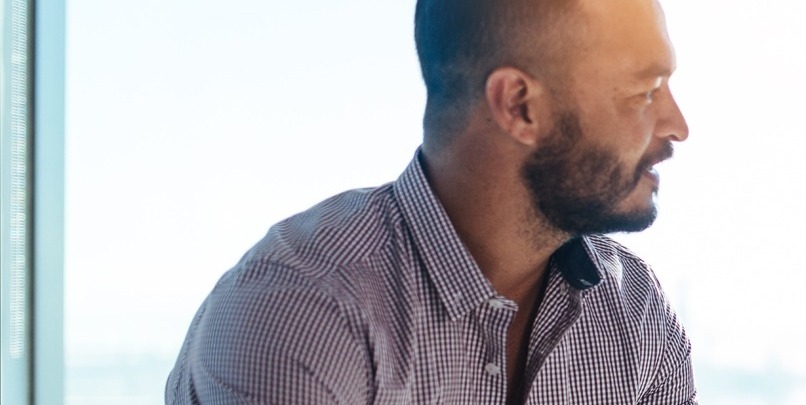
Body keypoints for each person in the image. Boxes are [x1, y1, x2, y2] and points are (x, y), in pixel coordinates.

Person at [165, 0, 695, 403]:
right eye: (643, 93)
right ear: (519, 106)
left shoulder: (636, 310)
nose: (678, 126)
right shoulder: (304, 307)